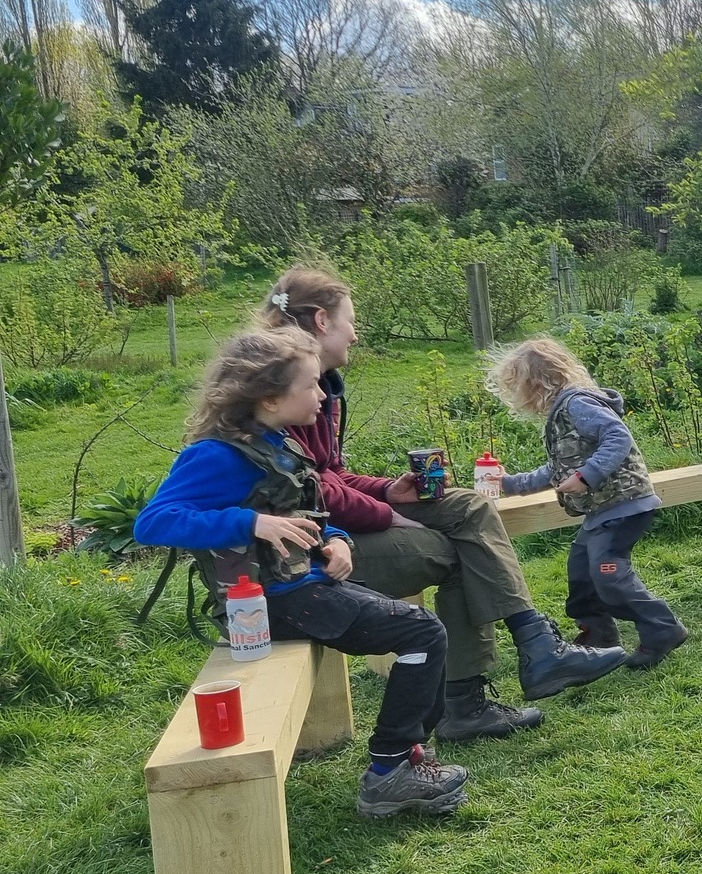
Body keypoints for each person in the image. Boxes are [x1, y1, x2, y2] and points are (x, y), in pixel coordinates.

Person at [256, 268, 626, 740]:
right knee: (463, 554)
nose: (356, 331)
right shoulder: (280, 388)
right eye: (352, 320)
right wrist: (387, 513)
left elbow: (329, 474)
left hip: (331, 527)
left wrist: (391, 490)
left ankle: (533, 645)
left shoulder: (318, 384)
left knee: (468, 507)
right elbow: (309, 492)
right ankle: (472, 699)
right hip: (298, 556)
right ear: (323, 321)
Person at [135, 327, 471, 818]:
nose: (322, 394)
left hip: (303, 586)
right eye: (312, 385)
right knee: (421, 632)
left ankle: (407, 757)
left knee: (420, 633)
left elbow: (304, 506)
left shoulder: (273, 440)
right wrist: (250, 521)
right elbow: (154, 522)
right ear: (270, 398)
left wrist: (338, 539)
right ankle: (390, 770)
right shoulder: (216, 454)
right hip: (269, 602)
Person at [487, 337, 690, 670]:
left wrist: (586, 476)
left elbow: (618, 436)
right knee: (581, 574)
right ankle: (598, 636)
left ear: (537, 382)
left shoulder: (577, 404)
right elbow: (557, 470)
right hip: (601, 511)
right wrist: (510, 483)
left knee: (609, 575)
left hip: (624, 505)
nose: (518, 398)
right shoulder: (562, 414)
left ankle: (662, 629)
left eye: (518, 387)